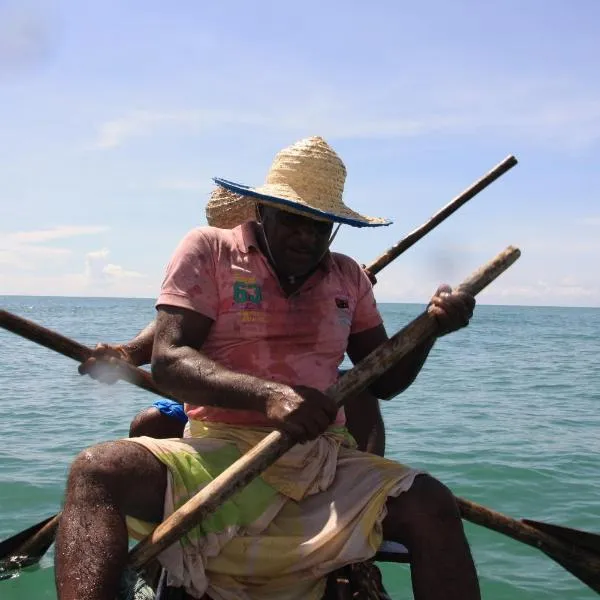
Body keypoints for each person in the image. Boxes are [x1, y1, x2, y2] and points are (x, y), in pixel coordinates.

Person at [55, 136, 478, 600]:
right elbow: (171, 361)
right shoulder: (209, 251)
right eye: (294, 219)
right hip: (218, 450)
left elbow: (388, 380)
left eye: (321, 226)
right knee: (98, 470)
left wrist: (431, 329)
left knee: (431, 503)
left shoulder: (348, 277)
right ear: (261, 211)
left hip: (321, 461)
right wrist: (269, 396)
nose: (307, 236)